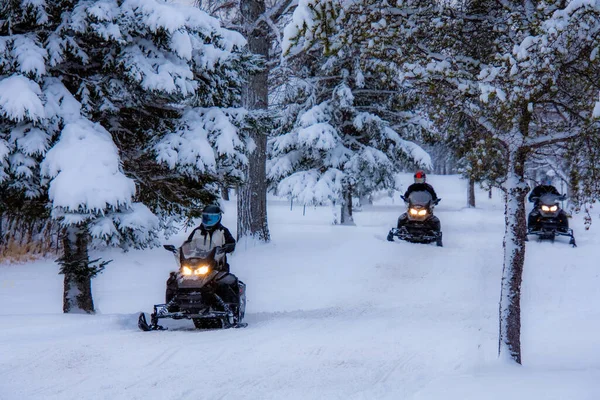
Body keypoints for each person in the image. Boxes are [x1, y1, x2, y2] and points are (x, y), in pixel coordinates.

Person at [166, 204, 238, 305]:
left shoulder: (222, 231)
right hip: (196, 264)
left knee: (222, 283)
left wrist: (227, 247)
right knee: (174, 281)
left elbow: (231, 243)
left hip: (216, 265)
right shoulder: (197, 231)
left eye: (212, 217)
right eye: (206, 217)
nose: (209, 220)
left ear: (219, 218)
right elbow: (188, 244)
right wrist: (178, 251)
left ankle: (227, 307)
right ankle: (172, 305)